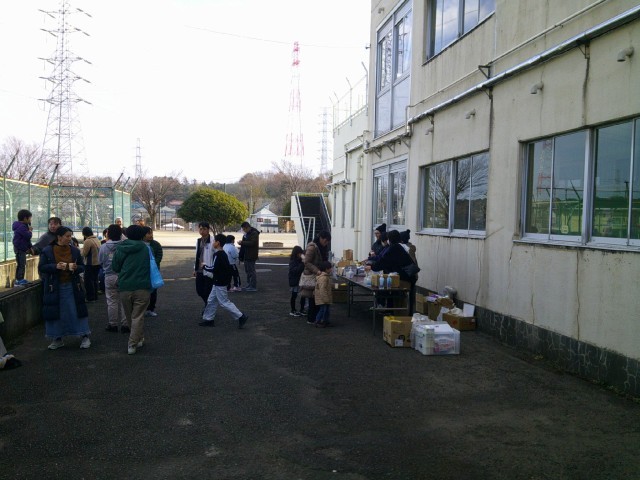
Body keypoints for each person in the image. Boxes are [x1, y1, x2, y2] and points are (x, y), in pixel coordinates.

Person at [38, 226, 91, 350]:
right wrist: (55, 266)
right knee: (56, 312)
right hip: (54, 287)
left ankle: (84, 336)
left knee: (76, 311)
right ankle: (57, 338)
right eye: (67, 236)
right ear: (59, 237)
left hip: (73, 285)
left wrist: (76, 268)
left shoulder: (75, 250)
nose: (69, 238)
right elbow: (42, 267)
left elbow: (82, 266)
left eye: (70, 236)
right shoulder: (47, 250)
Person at [111, 224, 152, 355]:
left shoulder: (121, 248)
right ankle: (133, 342)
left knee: (130, 316)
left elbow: (115, 267)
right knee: (137, 316)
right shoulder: (145, 248)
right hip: (142, 286)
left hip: (125, 286)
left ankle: (138, 339)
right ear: (142, 235)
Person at [199, 233, 249, 329]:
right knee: (211, 300)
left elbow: (214, 268)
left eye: (214, 241)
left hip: (219, 282)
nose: (213, 243)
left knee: (224, 302)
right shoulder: (222, 254)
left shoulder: (218, 255)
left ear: (218, 243)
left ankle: (241, 316)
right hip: (219, 282)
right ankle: (209, 319)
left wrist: (204, 266)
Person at [98, 224, 127, 333]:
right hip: (123, 275)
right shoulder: (125, 245)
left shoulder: (103, 246)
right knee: (124, 301)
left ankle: (113, 324)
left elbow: (100, 261)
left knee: (111, 301)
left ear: (108, 233)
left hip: (109, 275)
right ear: (121, 234)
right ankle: (125, 324)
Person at [301, 230, 331, 325]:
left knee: (317, 298)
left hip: (319, 275)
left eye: (328, 241)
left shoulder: (323, 247)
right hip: (313, 275)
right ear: (321, 238)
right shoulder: (312, 247)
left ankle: (317, 319)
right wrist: (317, 270)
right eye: (325, 241)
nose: (326, 243)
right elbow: (306, 262)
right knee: (312, 298)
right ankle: (311, 319)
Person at [193, 222, 215, 310]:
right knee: (199, 290)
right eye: (200, 229)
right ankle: (208, 304)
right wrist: (195, 269)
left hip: (209, 270)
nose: (202, 231)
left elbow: (216, 255)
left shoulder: (213, 241)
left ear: (208, 230)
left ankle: (208, 308)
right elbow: (197, 255)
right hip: (199, 269)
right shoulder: (199, 241)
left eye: (204, 229)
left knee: (207, 291)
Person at [143, 226, 163, 317]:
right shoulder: (140, 244)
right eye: (149, 233)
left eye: (151, 233)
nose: (151, 235)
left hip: (153, 271)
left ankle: (151, 309)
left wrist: (153, 263)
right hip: (143, 271)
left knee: (153, 290)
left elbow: (159, 255)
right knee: (143, 291)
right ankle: (143, 309)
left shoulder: (156, 244)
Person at [12, 209, 33, 286]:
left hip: (21, 248)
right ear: (25, 218)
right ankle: (19, 280)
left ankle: (19, 279)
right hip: (19, 248)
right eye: (30, 218)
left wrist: (30, 247)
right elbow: (28, 236)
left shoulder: (23, 226)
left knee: (21, 264)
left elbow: (27, 240)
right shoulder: (21, 226)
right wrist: (30, 231)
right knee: (21, 264)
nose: (30, 220)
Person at [237, 221, 260, 292]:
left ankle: (253, 286)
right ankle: (249, 284)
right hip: (246, 255)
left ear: (247, 228)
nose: (244, 231)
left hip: (251, 255)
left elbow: (253, 243)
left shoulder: (254, 233)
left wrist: (242, 242)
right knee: (248, 271)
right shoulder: (247, 234)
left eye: (244, 229)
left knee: (251, 271)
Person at [81, 227, 101, 302]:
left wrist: (80, 250)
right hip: (97, 263)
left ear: (84, 234)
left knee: (88, 281)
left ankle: (90, 297)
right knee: (95, 280)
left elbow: (84, 253)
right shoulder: (96, 239)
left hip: (90, 263)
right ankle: (95, 296)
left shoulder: (88, 241)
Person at [313, 260, 333, 328]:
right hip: (323, 298)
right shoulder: (324, 278)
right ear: (326, 269)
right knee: (323, 310)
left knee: (326, 310)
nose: (331, 269)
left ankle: (325, 321)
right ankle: (318, 321)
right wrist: (325, 299)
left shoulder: (325, 276)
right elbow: (322, 290)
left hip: (324, 297)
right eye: (330, 268)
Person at [288, 245, 306, 317]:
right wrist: (302, 263)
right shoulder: (293, 261)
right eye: (299, 253)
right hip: (295, 280)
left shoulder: (297, 260)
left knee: (303, 295)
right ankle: (293, 310)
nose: (300, 255)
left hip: (299, 280)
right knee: (294, 295)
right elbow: (296, 270)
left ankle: (302, 309)